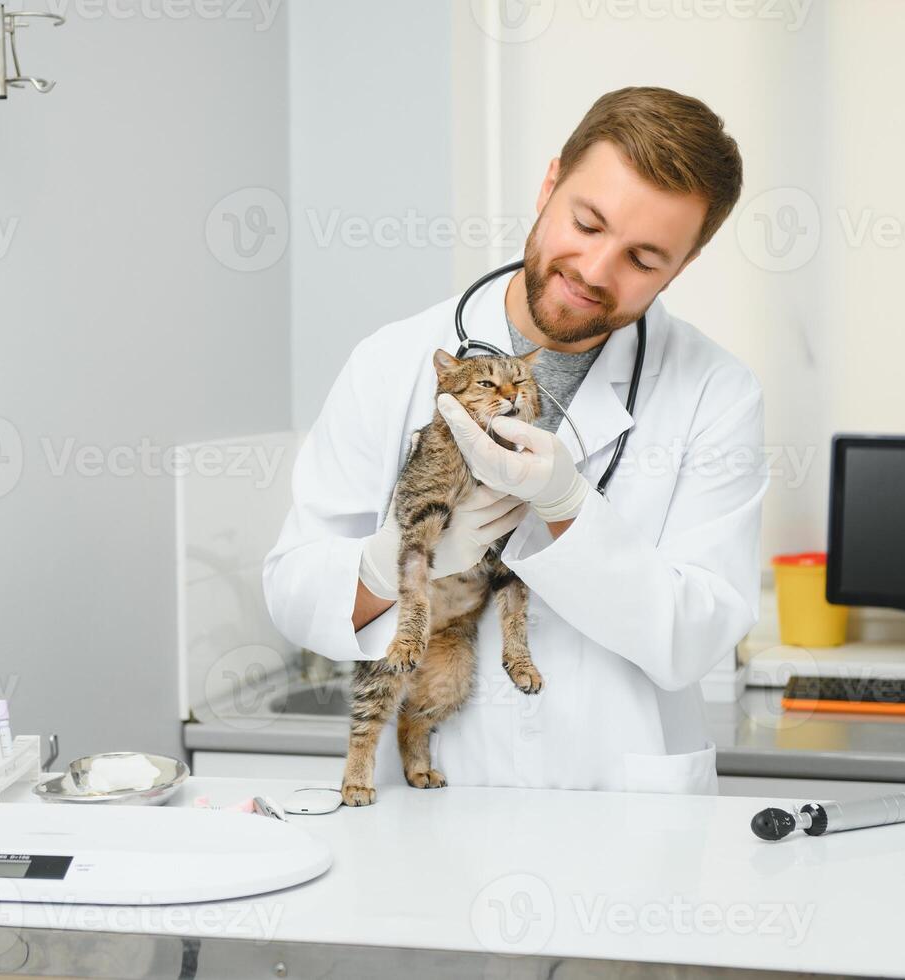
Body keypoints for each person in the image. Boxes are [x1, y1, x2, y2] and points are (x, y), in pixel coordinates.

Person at [263, 87, 766, 795]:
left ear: (680, 268)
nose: (595, 271)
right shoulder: (394, 360)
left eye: (644, 259)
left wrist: (566, 509)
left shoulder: (715, 391)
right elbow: (293, 590)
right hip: (434, 799)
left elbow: (694, 639)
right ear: (549, 183)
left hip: (621, 813)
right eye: (586, 223)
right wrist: (387, 564)